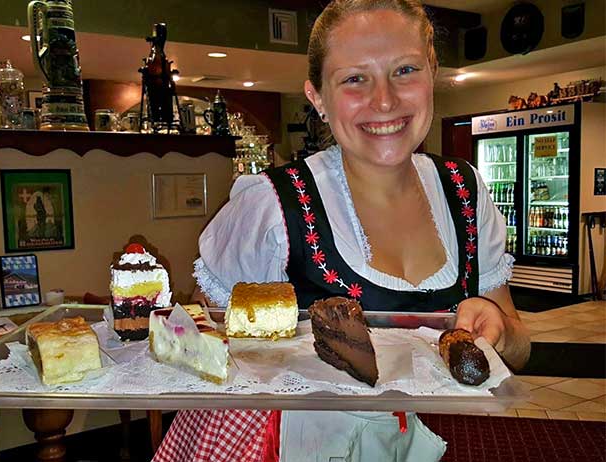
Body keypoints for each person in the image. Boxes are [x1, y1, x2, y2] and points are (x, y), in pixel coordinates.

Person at [153, 1, 531, 461]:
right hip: (295, 445)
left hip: (419, 443)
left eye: (406, 70)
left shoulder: (465, 190)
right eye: (355, 78)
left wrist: (500, 335)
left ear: (432, 75)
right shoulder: (271, 206)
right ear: (318, 98)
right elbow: (205, 349)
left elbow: (516, 343)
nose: (385, 100)